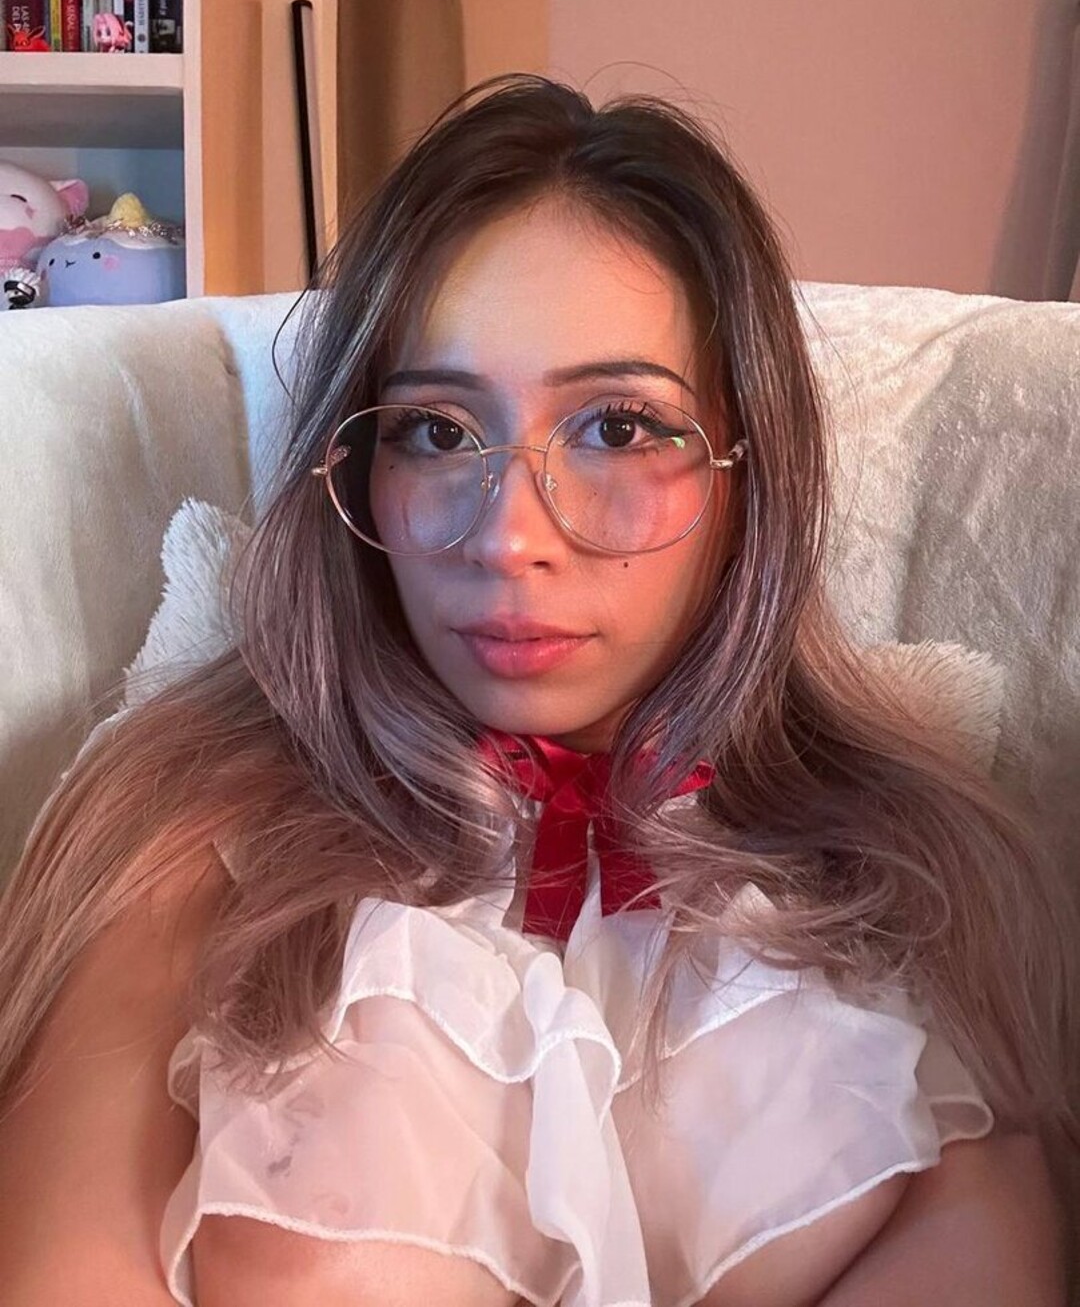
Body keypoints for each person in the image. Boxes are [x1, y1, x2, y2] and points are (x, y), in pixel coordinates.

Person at [0, 72, 1074, 1307]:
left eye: (618, 427)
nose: (509, 536)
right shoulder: (193, 821)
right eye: (436, 430)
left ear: (750, 474)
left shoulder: (911, 866)